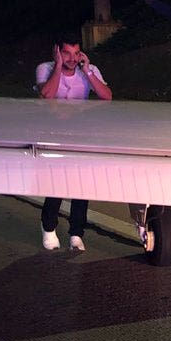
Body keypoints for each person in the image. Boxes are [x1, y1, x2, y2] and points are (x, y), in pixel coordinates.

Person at [36, 34, 112, 251]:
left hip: (83, 133)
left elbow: (107, 96)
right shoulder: (46, 69)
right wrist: (58, 67)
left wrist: (87, 71)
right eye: (66, 53)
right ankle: (48, 226)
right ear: (58, 52)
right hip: (55, 134)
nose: (71, 58)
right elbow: (47, 95)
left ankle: (76, 233)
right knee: (57, 183)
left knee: (82, 184)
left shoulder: (89, 70)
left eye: (75, 53)